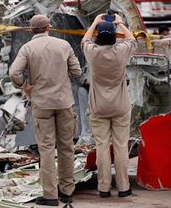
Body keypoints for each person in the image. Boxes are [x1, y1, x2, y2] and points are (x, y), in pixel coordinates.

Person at [9, 14, 81, 206]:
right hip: (64, 102)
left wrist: (24, 85)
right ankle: (67, 192)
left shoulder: (27, 48)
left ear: (32, 29)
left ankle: (50, 196)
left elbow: (14, 72)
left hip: (41, 103)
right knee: (66, 147)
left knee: (47, 148)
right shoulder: (63, 45)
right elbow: (77, 71)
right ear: (49, 27)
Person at [81, 13, 136, 198]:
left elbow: (85, 39)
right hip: (120, 106)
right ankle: (123, 187)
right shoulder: (121, 51)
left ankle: (104, 188)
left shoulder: (93, 53)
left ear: (99, 36)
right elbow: (132, 39)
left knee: (102, 147)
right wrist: (120, 22)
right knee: (120, 147)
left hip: (98, 107)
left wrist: (96, 22)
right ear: (114, 37)